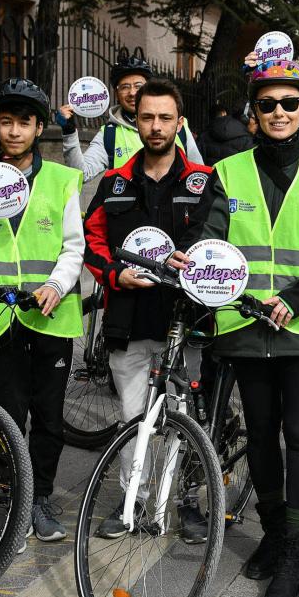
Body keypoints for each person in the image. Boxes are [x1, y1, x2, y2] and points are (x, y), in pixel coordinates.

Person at [182, 59, 299, 597]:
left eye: (289, 104)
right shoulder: (228, 172)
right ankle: (274, 531)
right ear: (253, 114)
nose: (279, 112)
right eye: (267, 105)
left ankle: (295, 555)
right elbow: (210, 238)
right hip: (243, 324)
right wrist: (190, 260)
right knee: (260, 436)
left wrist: (295, 300)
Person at [81, 79, 215, 543]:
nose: (155, 126)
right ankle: (132, 498)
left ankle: (187, 501)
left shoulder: (205, 180)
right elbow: (91, 241)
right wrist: (114, 277)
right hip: (128, 317)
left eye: (164, 118)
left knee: (185, 416)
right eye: (146, 117)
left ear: (179, 123)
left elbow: (220, 242)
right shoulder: (115, 182)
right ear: (133, 120)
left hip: (186, 318)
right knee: (131, 416)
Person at [0, 78, 84, 544]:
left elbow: (74, 248)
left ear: (38, 128)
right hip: (0, 316)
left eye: (24, 122)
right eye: (6, 122)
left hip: (51, 313)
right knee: (8, 410)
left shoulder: (63, 180)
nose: (14, 131)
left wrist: (55, 284)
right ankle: (12, 489)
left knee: (49, 415)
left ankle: (41, 497)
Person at [60, 54, 203, 179]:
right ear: (116, 94)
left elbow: (199, 175)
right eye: (125, 87)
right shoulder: (109, 134)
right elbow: (81, 174)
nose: (132, 92)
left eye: (138, 86)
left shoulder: (179, 127)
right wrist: (69, 132)